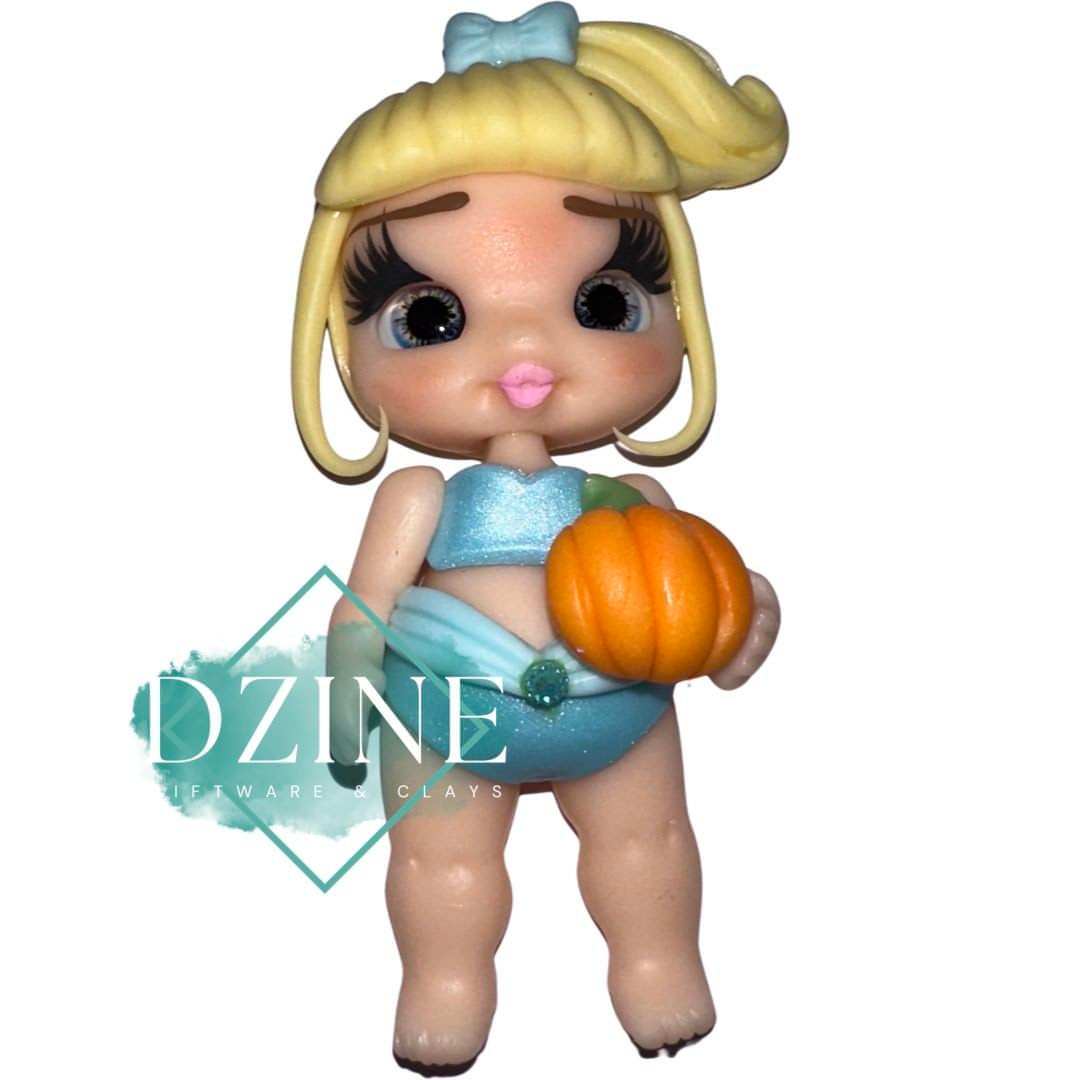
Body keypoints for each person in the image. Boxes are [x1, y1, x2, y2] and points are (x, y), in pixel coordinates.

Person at [291, 3, 786, 1070]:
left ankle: (657, 962)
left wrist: (741, 620)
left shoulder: (633, 499)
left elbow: (698, 596)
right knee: (441, 865)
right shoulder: (417, 496)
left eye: (603, 301)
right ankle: (444, 983)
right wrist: (345, 714)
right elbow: (363, 607)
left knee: (647, 842)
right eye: (431, 317)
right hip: (447, 713)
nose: (526, 350)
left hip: (619, 708)